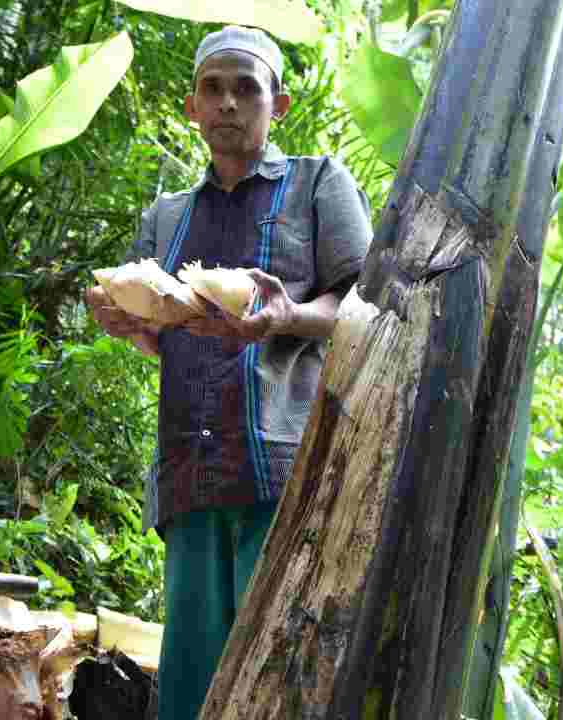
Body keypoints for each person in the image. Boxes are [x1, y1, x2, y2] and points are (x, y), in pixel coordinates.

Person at [84, 25, 373, 720]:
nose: (229, 104)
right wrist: (128, 321)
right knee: (192, 683)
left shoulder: (316, 184)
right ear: (192, 107)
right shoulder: (167, 217)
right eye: (213, 89)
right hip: (189, 467)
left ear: (280, 102)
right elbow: (161, 332)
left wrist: (285, 318)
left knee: (275, 673)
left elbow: (363, 304)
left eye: (247, 88)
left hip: (281, 468)